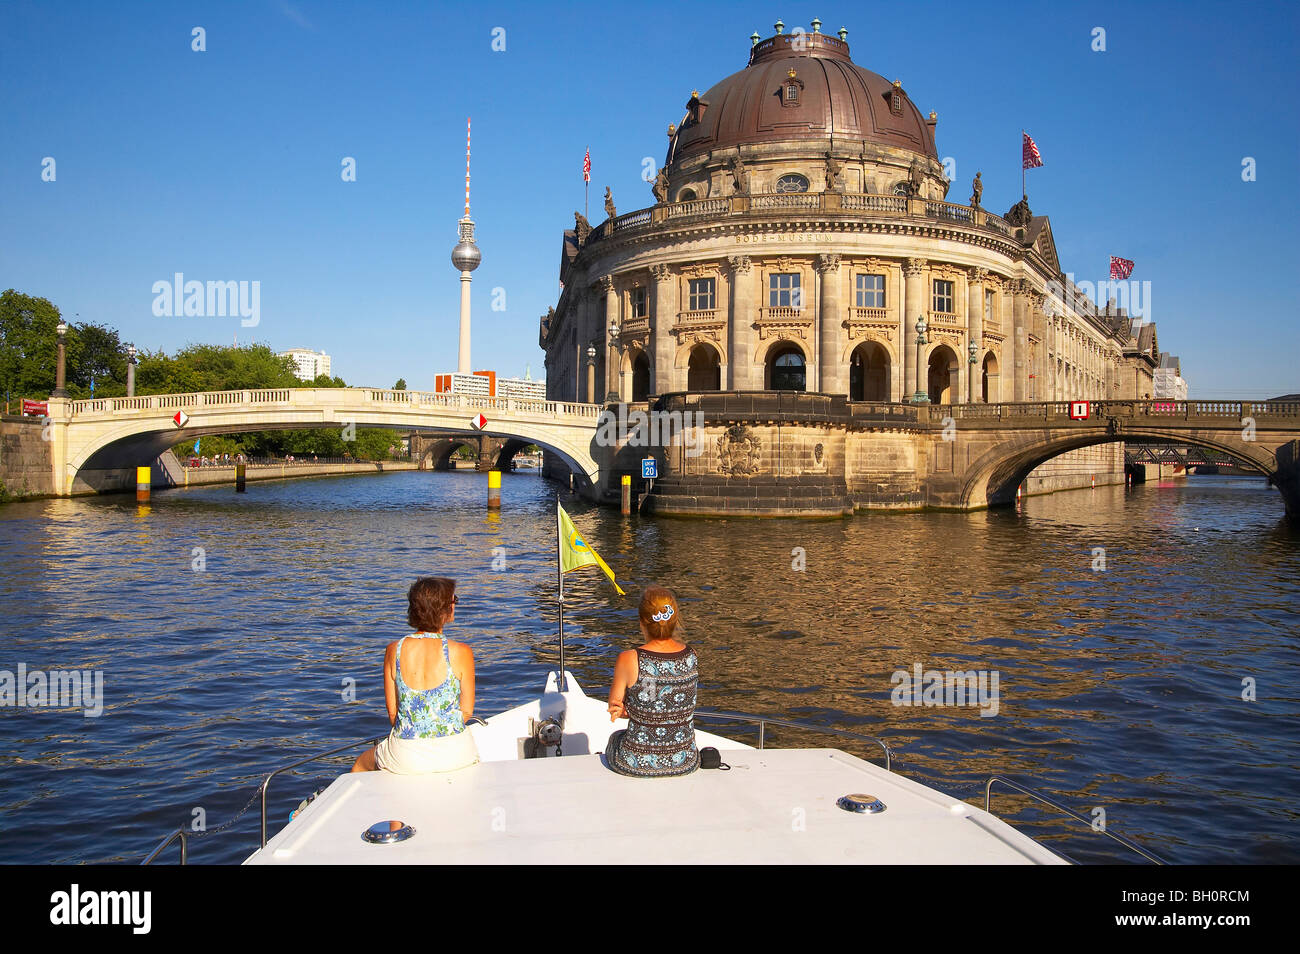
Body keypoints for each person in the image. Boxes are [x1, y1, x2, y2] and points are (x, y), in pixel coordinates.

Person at [351, 577, 478, 774]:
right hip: (456, 752)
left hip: (406, 755)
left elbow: (393, 714)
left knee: (360, 764)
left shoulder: (394, 650)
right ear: (445, 609)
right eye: (454, 600)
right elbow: (467, 711)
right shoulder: (461, 652)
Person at [604, 586, 699, 777]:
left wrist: (625, 711)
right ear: (675, 620)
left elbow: (616, 706)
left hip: (636, 763)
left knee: (615, 738)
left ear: (641, 623)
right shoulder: (691, 656)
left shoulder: (629, 659)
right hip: (685, 761)